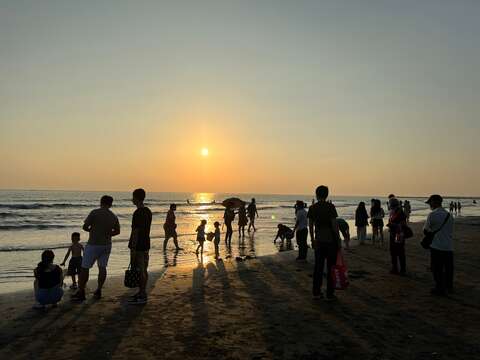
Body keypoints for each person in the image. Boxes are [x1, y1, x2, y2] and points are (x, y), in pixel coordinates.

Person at [71, 195, 120, 302]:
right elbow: (117, 231)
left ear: (101, 202)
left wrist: (93, 231)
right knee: (102, 267)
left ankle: (81, 291)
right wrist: (107, 233)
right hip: (106, 245)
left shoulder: (94, 212)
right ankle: (98, 290)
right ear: (111, 204)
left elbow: (85, 227)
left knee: (85, 268)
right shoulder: (113, 216)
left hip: (93, 244)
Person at [308, 185, 341, 301]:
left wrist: (312, 239)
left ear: (316, 194)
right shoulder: (330, 207)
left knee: (318, 268)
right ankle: (329, 294)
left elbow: (310, 226)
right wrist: (339, 240)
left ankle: (316, 293)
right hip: (331, 241)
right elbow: (335, 225)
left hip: (319, 241)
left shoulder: (312, 208)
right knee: (331, 267)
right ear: (327, 195)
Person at [424, 195, 454, 296]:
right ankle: (449, 286)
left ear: (435, 202)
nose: (429, 205)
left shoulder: (432, 215)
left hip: (436, 245)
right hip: (449, 246)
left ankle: (439, 288)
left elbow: (426, 230)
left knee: (437, 268)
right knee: (448, 268)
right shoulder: (449, 215)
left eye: (430, 203)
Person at [128, 189, 152, 305]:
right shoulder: (148, 211)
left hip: (138, 245)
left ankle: (142, 294)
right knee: (144, 269)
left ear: (136, 198)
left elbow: (135, 231)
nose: (132, 199)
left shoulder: (137, 213)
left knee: (140, 269)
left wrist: (133, 247)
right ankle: (141, 292)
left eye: (133, 197)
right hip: (146, 243)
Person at [387, 198, 407, 275]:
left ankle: (402, 270)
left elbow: (403, 225)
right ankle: (395, 268)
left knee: (400, 252)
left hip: (399, 235)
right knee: (393, 252)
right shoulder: (393, 212)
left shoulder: (400, 213)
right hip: (393, 234)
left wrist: (392, 225)